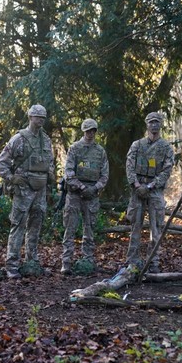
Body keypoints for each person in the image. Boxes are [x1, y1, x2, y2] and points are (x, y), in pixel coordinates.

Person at [0, 104, 56, 279]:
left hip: (40, 189)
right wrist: (11, 178)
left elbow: (50, 161)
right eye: (37, 117)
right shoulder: (19, 139)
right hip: (23, 189)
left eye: (43, 117)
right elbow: (1, 163)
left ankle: (32, 262)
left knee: (36, 225)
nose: (40, 120)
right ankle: (12, 265)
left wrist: (50, 174)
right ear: (30, 117)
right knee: (18, 225)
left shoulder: (46, 140)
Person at [125, 112, 174, 273]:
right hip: (137, 191)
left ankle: (153, 263)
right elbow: (129, 166)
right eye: (151, 122)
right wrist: (137, 185)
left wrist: (151, 186)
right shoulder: (137, 145)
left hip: (155, 191)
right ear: (147, 125)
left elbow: (166, 170)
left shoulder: (166, 147)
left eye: (157, 122)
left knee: (156, 228)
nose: (154, 125)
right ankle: (132, 262)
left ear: (161, 125)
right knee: (135, 227)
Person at [60, 118, 109, 275]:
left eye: (93, 130)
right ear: (83, 131)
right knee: (70, 228)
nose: (90, 133)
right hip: (75, 194)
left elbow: (104, 175)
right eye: (88, 131)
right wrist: (81, 187)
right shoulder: (75, 148)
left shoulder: (100, 151)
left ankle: (87, 260)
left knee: (89, 229)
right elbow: (68, 172)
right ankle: (66, 262)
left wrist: (94, 188)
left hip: (92, 195)